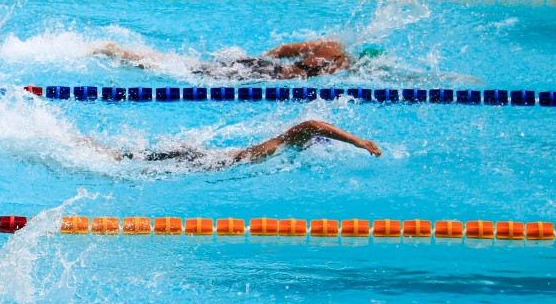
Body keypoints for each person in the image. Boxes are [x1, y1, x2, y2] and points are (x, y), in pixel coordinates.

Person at [78, 120, 381, 170]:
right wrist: (356, 141)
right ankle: (87, 146)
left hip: (205, 158)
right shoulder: (284, 143)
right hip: (202, 160)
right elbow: (310, 125)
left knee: (128, 158)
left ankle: (91, 147)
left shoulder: (281, 150)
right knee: (120, 160)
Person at [93, 39, 379, 79]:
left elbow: (281, 49)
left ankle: (126, 53)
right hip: (266, 75)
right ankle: (121, 53)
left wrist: (256, 59)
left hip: (262, 66)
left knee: (193, 67)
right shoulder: (343, 65)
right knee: (194, 72)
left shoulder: (329, 44)